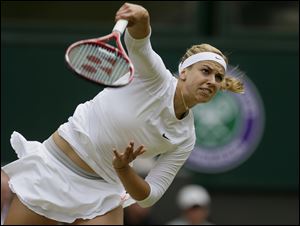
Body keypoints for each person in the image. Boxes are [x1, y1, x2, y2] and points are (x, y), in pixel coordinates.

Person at [2, 2, 244, 225]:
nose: (212, 81)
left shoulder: (185, 137)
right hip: (53, 169)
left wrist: (123, 169)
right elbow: (139, 42)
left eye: (218, 77)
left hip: (103, 190)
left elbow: (150, 195)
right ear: (184, 72)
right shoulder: (155, 77)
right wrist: (143, 17)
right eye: (205, 71)